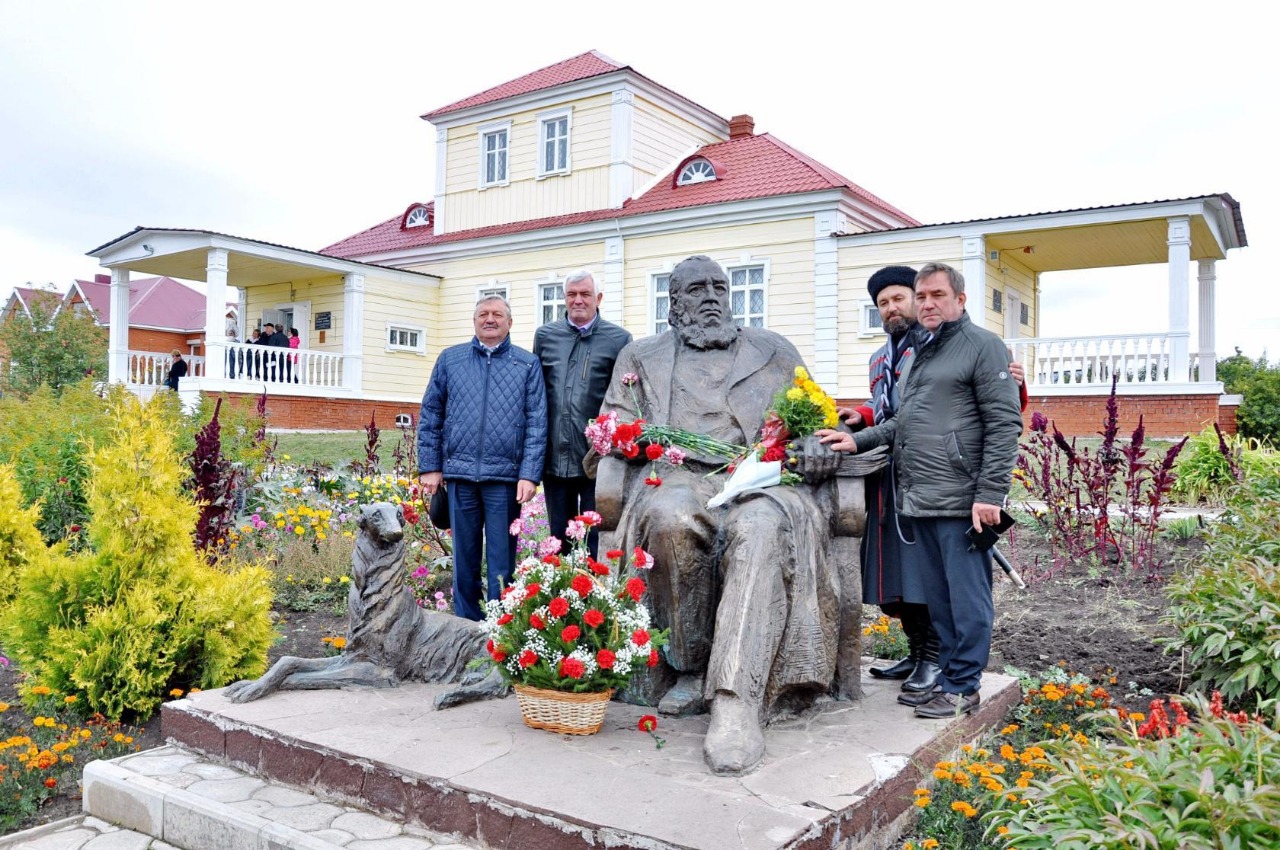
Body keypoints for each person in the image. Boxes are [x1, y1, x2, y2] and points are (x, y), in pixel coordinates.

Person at [592, 255, 842, 775]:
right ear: (674, 303)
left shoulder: (773, 350)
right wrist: (623, 438)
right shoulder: (642, 356)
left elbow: (818, 416)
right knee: (668, 520)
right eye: (695, 289)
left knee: (761, 529)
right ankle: (690, 666)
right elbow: (612, 423)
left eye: (719, 287)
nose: (710, 297)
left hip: (763, 480)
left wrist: (818, 444)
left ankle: (736, 696)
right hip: (679, 477)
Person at [821, 262, 1023, 719]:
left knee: (967, 599)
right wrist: (857, 439)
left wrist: (990, 494)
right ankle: (949, 679)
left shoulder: (984, 347)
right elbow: (899, 422)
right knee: (941, 601)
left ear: (960, 300)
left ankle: (963, 686)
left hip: (962, 499)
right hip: (921, 498)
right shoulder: (920, 355)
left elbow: (1005, 423)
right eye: (923, 296)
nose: (928, 303)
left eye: (936, 295)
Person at [417, 296, 547, 622]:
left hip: (505, 480)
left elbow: (536, 422)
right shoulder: (450, 360)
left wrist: (529, 474)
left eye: (497, 315)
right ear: (474, 320)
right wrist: (431, 467)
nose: (490, 320)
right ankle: (465, 629)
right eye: (483, 314)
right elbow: (431, 414)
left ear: (510, 322)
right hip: (459, 475)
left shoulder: (527, 364)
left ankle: (499, 632)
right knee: (465, 560)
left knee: (503, 563)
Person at [532, 269, 632, 557]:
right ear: (565, 298)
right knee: (559, 540)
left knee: (594, 539)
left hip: (596, 461)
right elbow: (537, 394)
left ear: (598, 298)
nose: (578, 300)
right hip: (555, 458)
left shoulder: (619, 340)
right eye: (572, 294)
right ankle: (561, 597)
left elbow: (624, 397)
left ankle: (594, 598)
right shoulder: (546, 337)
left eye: (585, 294)